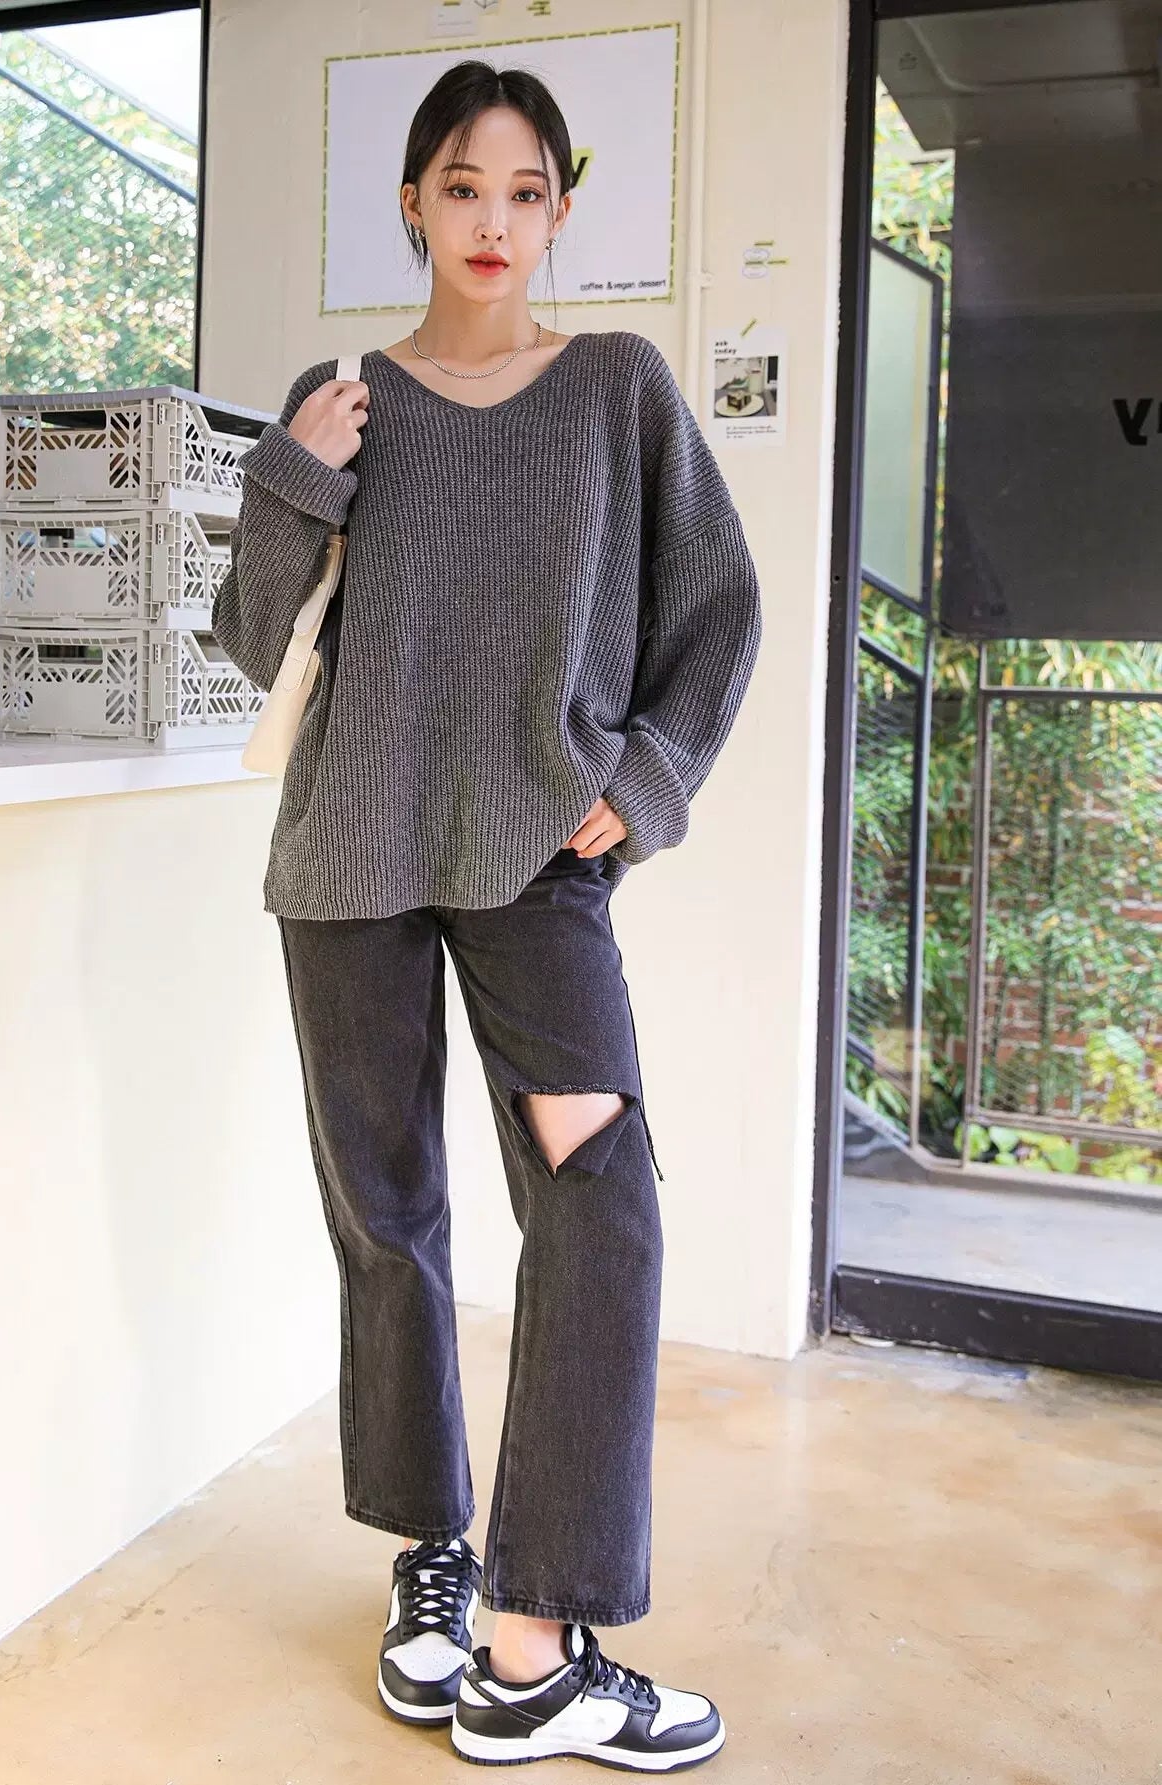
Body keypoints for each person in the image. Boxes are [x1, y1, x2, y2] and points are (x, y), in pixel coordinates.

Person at [212, 59, 762, 1774]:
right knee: (390, 1222)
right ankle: (430, 1564)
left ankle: (535, 1639)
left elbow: (721, 608)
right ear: (413, 204)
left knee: (601, 1204)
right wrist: (294, 477)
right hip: (351, 859)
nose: (495, 221)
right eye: (463, 187)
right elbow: (247, 638)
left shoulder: (616, 390)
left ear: (560, 211)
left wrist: (648, 777)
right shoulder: (343, 402)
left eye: (526, 191)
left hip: (537, 857)